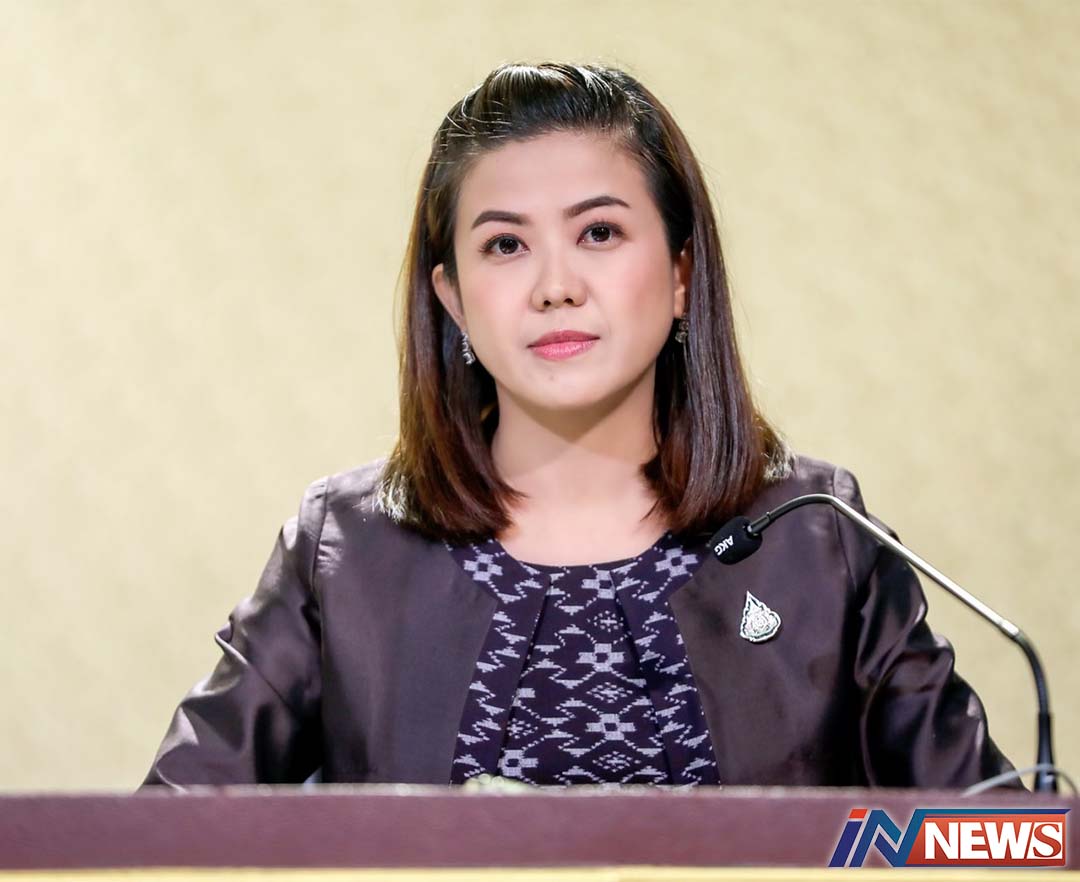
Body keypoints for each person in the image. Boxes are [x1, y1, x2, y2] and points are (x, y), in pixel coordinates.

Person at [140, 61, 1020, 791]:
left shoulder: (816, 536)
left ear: (681, 274)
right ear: (453, 298)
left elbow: (1000, 841)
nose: (556, 286)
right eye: (505, 245)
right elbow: (158, 843)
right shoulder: (346, 548)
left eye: (598, 233)